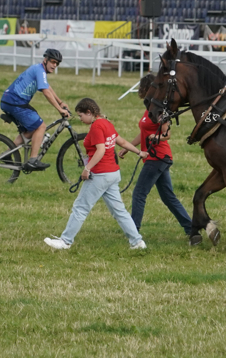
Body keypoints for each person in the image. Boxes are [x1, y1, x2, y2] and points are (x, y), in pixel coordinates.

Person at [45, 98, 148, 251]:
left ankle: (65, 242)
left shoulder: (97, 127)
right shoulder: (106, 123)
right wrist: (139, 152)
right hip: (112, 174)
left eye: (81, 115)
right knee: (119, 211)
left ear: (89, 112)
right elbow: (122, 142)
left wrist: (87, 169)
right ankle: (138, 242)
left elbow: (101, 150)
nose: (80, 119)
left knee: (80, 208)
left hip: (100, 174)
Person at [130, 75, 192, 237]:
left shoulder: (159, 110)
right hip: (156, 158)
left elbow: (167, 134)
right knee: (168, 197)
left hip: (157, 157)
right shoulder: (150, 109)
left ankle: (133, 231)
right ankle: (191, 228)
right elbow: (144, 132)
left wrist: (156, 137)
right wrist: (129, 147)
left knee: (139, 194)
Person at [0, 48, 70, 182]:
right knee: (40, 126)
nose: (54, 65)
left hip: (12, 101)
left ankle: (7, 154)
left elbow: (47, 87)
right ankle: (33, 160)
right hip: (15, 102)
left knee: (30, 130)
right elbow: (46, 92)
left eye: (57, 63)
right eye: (53, 62)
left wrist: (60, 102)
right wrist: (59, 110)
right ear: (45, 60)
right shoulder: (39, 70)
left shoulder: (40, 70)